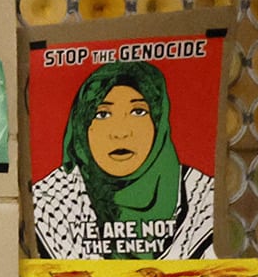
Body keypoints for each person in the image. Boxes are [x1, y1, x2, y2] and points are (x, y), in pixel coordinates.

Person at [30, 59, 216, 261]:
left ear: (158, 121)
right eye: (102, 114)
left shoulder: (199, 195)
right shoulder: (52, 200)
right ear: (82, 125)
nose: (120, 132)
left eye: (138, 112)